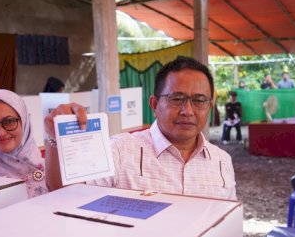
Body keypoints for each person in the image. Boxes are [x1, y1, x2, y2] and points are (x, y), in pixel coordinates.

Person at [44, 56, 236, 200]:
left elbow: (226, 222)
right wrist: (55, 139)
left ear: (209, 107)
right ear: (154, 104)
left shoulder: (222, 161)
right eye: (176, 99)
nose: (187, 110)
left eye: (199, 101)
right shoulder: (121, 150)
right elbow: (65, 192)